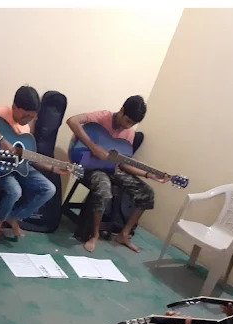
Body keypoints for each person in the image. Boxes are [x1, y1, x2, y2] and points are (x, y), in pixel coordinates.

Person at [67, 96, 168, 253]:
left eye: (132, 124)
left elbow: (124, 164)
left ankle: (124, 234)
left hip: (112, 168)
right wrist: (94, 147)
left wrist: (148, 174)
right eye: (127, 121)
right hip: (88, 164)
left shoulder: (129, 134)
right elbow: (72, 121)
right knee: (104, 190)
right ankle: (94, 234)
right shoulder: (102, 116)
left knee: (146, 193)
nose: (128, 126)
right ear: (121, 110)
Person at [0, 85, 70, 240]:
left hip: (17, 166)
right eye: (25, 116)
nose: (27, 120)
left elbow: (29, 159)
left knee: (49, 189)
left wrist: (53, 168)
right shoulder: (4, 112)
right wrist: (1, 140)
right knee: (15, 191)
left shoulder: (26, 129)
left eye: (31, 117)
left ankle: (13, 216)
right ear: (14, 107)